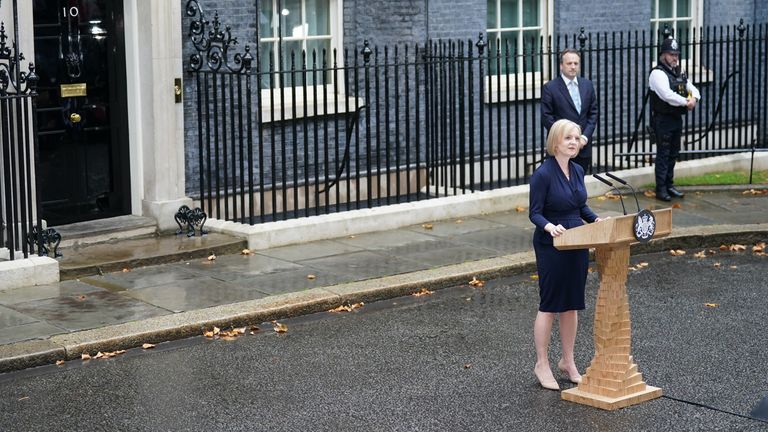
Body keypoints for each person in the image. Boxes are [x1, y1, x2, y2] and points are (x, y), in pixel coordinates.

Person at [528, 119, 603, 391]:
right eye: (568, 138)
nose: (573, 142)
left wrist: (596, 220)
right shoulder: (543, 174)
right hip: (552, 244)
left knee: (572, 303)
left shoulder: (578, 168)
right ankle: (542, 363)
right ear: (555, 142)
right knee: (550, 304)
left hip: (577, 241)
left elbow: (580, 206)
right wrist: (549, 226)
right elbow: (534, 212)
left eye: (576, 137)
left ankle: (568, 361)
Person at [649, 36, 701, 202]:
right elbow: (667, 95)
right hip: (663, 120)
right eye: (671, 54)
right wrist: (687, 102)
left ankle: (669, 185)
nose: (675, 58)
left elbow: (691, 87)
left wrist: (695, 98)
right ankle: (661, 189)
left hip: (676, 118)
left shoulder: (678, 72)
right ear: (663, 55)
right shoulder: (657, 73)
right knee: (663, 154)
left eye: (677, 55)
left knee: (673, 153)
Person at [541, 48, 599, 175]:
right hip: (560, 149)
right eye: (569, 63)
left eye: (576, 63)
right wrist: (565, 138)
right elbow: (546, 117)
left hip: (583, 149)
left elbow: (593, 113)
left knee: (579, 187)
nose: (573, 67)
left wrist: (583, 138)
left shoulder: (587, 85)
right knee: (559, 187)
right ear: (561, 66)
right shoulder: (550, 88)